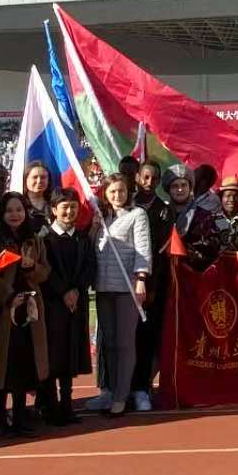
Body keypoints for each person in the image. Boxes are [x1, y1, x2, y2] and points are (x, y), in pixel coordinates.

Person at [0, 192, 50, 437]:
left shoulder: (34, 240)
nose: (15, 215)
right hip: (2, 312)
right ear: (1, 214)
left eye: (19, 210)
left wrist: (32, 267)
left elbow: (45, 272)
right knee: (1, 367)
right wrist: (8, 297)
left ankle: (20, 415)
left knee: (25, 365)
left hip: (29, 310)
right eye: (9, 210)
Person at [95, 173, 150, 416]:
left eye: (121, 191)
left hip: (127, 287)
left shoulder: (137, 214)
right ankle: (112, 390)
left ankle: (121, 396)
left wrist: (141, 278)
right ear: (105, 194)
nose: (117, 195)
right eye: (113, 191)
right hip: (103, 287)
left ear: (128, 192)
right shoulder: (101, 217)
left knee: (125, 343)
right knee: (109, 343)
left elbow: (143, 249)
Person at [40, 188, 96, 425]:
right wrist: (63, 291)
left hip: (76, 303)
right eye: (64, 207)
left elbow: (90, 267)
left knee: (70, 354)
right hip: (53, 304)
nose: (69, 211)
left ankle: (67, 404)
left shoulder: (83, 239)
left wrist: (76, 290)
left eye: (73, 207)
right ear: (54, 210)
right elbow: (46, 270)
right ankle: (50, 406)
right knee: (53, 354)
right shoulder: (44, 239)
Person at [130, 159, 174, 411]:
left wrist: (151, 286)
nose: (149, 182)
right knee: (122, 339)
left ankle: (142, 388)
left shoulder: (164, 212)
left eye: (154, 178)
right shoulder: (126, 204)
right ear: (137, 177)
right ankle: (115, 388)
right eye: (145, 177)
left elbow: (159, 254)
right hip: (123, 282)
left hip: (150, 285)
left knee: (146, 338)